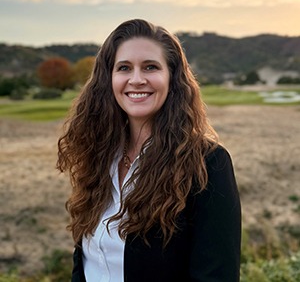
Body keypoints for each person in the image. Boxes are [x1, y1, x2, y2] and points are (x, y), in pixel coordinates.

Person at [57, 19, 241, 282]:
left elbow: (217, 276)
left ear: (172, 77)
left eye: (150, 67)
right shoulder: (97, 156)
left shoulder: (208, 162)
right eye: (124, 68)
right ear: (108, 78)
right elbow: (85, 262)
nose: (136, 79)